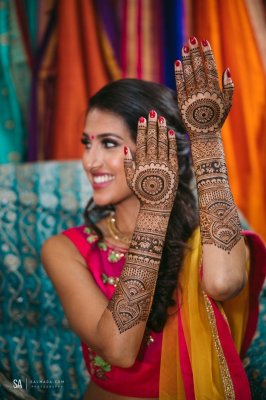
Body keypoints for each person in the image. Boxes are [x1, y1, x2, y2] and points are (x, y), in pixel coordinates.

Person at [41, 37, 266, 400]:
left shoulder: (204, 238)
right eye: (87, 143)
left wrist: (206, 140)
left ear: (157, 149)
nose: (90, 161)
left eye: (109, 143)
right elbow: (119, 350)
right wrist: (154, 210)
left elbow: (225, 283)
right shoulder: (66, 249)